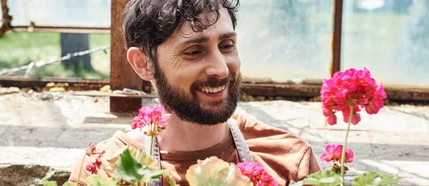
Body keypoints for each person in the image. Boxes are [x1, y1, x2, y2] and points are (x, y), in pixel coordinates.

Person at [67, 0, 321, 185]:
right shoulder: (104, 170)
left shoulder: (288, 159)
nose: (221, 69)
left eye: (227, 45)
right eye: (194, 52)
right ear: (144, 64)